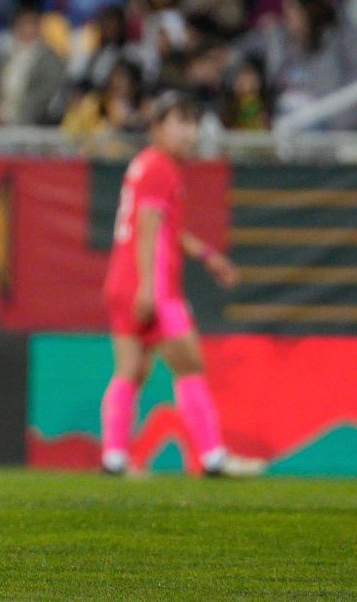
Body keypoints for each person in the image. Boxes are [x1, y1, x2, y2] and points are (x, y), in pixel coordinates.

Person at [100, 92, 265, 478]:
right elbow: (148, 231)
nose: (190, 133)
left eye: (193, 123)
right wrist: (148, 288)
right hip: (152, 285)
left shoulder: (145, 165)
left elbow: (165, 229)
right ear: (157, 128)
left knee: (130, 370)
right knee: (190, 363)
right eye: (181, 123)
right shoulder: (161, 168)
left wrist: (208, 255)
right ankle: (212, 457)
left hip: (121, 280)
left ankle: (113, 458)